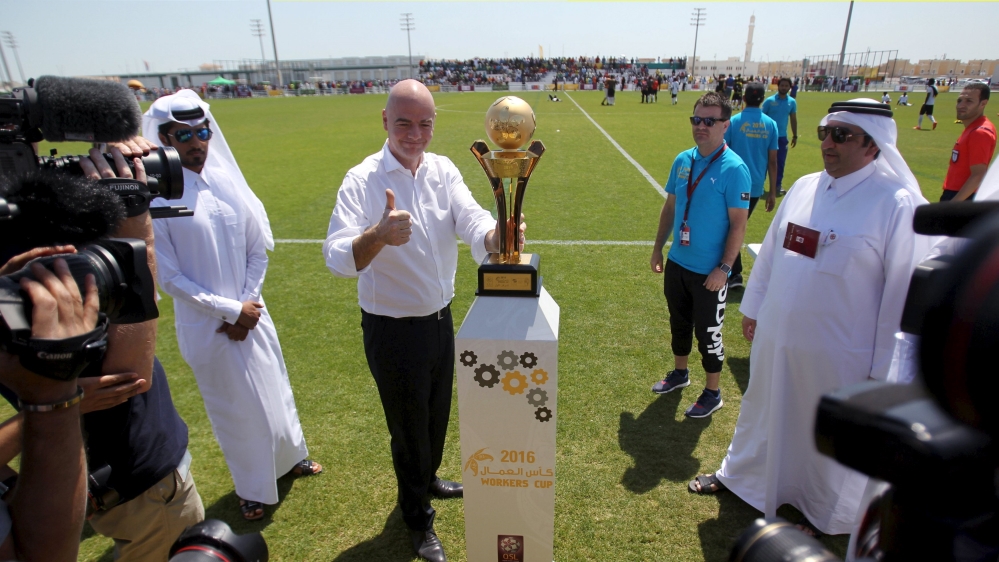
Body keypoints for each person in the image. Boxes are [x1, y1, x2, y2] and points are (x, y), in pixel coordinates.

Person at [689, 99, 933, 538]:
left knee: (827, 438)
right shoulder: (803, 186)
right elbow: (773, 252)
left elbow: (903, 299)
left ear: (873, 145)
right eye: (825, 132)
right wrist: (753, 306)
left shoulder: (896, 205)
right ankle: (742, 478)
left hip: (844, 358)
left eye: (842, 135)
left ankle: (822, 514)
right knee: (764, 410)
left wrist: (883, 369)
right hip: (780, 338)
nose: (828, 143)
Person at [323, 80, 522, 562]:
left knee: (435, 415)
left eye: (425, 123)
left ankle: (427, 478)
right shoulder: (362, 178)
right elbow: (335, 255)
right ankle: (416, 517)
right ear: (385, 122)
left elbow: (471, 220)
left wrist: (498, 235)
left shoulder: (443, 169)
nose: (415, 134)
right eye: (405, 123)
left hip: (439, 320)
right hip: (392, 328)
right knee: (408, 428)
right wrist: (377, 235)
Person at [0, 144, 206, 561]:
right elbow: (132, 375)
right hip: (141, 489)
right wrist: (136, 231)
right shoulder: (28, 292)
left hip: (99, 476)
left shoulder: (11, 288)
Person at [143, 91, 321, 523]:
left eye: (202, 132)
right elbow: (167, 277)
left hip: (253, 312)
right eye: (183, 135)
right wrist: (229, 310)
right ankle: (253, 489)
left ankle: (292, 457)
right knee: (235, 409)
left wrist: (248, 304)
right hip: (207, 326)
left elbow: (258, 248)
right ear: (164, 138)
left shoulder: (227, 180)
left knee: (275, 391)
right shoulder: (157, 197)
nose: (196, 142)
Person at [649, 92, 751, 419]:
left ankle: (712, 392)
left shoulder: (735, 169)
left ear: (725, 125)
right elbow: (670, 208)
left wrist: (724, 268)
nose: (701, 127)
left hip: (710, 271)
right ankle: (680, 374)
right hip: (678, 262)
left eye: (709, 121)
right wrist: (657, 249)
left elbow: (738, 225)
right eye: (696, 120)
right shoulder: (683, 160)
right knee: (679, 324)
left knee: (709, 334)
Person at [724, 82, 779, 289]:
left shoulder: (734, 122)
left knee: (731, 227)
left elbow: (723, 153)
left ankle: (734, 273)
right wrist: (772, 191)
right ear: (763, 99)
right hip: (755, 187)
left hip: (733, 184)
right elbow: (773, 161)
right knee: (733, 225)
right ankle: (732, 271)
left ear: (744, 98)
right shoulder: (770, 124)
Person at [940, 83, 995, 202]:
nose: (961, 105)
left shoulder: (979, 132)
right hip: (957, 194)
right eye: (960, 100)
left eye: (969, 101)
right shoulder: (972, 128)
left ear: (983, 103)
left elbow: (978, 175)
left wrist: (954, 204)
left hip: (961, 197)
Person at [762, 77, 798, 196]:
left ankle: (777, 185)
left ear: (789, 87)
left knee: (780, 163)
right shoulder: (769, 101)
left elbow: (793, 119)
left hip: (782, 137)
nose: (784, 88)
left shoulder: (792, 102)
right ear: (778, 86)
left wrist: (795, 135)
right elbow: (761, 118)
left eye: (786, 86)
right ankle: (760, 186)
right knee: (763, 162)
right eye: (782, 85)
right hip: (767, 137)